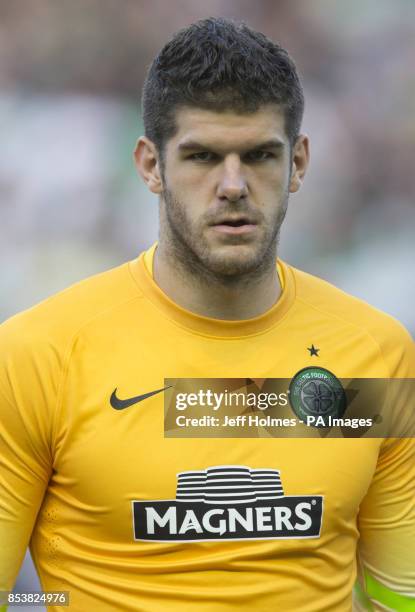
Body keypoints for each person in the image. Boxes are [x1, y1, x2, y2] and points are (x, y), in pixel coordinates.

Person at [0, 17, 414, 612]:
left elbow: (399, 595)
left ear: (298, 162)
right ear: (149, 165)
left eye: (259, 155)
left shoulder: (375, 353)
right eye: (201, 156)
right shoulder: (39, 354)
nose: (232, 185)